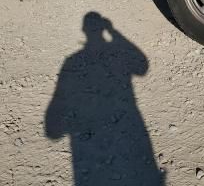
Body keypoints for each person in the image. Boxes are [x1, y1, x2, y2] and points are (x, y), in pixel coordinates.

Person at [45, 12, 165, 185]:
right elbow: (142, 66)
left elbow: (52, 130)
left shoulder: (71, 61)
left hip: (87, 152)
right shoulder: (114, 51)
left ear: (83, 30)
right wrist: (115, 33)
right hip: (131, 124)